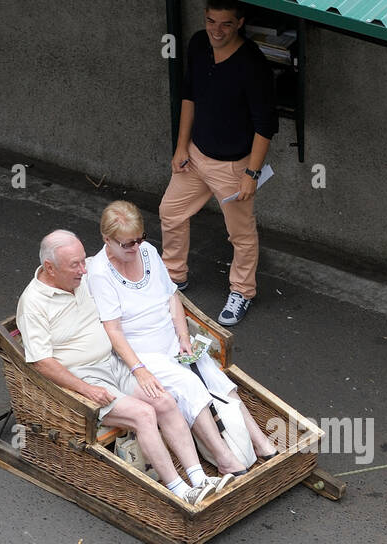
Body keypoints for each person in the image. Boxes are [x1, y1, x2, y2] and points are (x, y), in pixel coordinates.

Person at [17, 230, 224, 505]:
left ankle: (199, 478)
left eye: (83, 261)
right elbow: (42, 362)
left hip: (112, 361)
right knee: (143, 414)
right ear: (50, 268)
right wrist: (87, 389)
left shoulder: (85, 274)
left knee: (163, 400)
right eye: (75, 265)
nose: (83, 269)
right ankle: (180, 490)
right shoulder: (33, 303)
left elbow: (117, 260)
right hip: (83, 375)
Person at [86, 201, 278, 474]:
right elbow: (113, 330)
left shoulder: (148, 251)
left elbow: (172, 296)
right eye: (128, 244)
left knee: (214, 375)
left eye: (139, 240)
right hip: (142, 352)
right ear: (108, 240)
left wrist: (184, 336)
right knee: (189, 384)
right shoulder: (100, 272)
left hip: (171, 340)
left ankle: (260, 442)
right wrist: (139, 369)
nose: (136, 247)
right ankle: (225, 459)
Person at [160, 1, 277, 328]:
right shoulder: (199, 43)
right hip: (195, 157)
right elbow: (189, 95)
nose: (216, 29)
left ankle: (242, 291)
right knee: (170, 212)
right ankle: (173, 277)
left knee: (240, 234)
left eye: (225, 24)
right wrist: (181, 145)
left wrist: (251, 174)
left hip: (233, 166)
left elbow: (264, 125)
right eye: (211, 20)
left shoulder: (253, 65)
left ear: (239, 23)